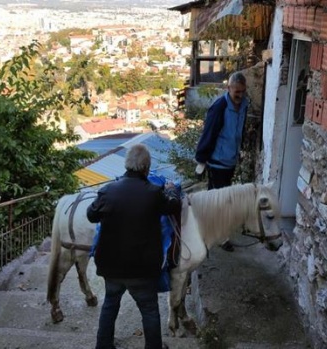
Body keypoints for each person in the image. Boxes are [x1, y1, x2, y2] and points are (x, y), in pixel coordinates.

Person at [87, 144, 180, 349]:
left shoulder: (108, 190)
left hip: (111, 266)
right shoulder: (155, 193)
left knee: (110, 305)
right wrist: (172, 191)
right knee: (149, 310)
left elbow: (91, 215)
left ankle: (103, 346)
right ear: (146, 167)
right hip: (142, 269)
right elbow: (173, 205)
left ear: (126, 164)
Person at [194, 71, 249, 252]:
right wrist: (201, 160)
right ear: (229, 89)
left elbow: (239, 130)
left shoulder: (244, 105)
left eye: (242, 92)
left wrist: (240, 148)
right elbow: (209, 133)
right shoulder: (219, 107)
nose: (240, 96)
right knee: (221, 201)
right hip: (217, 161)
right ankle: (220, 237)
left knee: (220, 199)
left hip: (231, 160)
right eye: (237, 92)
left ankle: (208, 231)